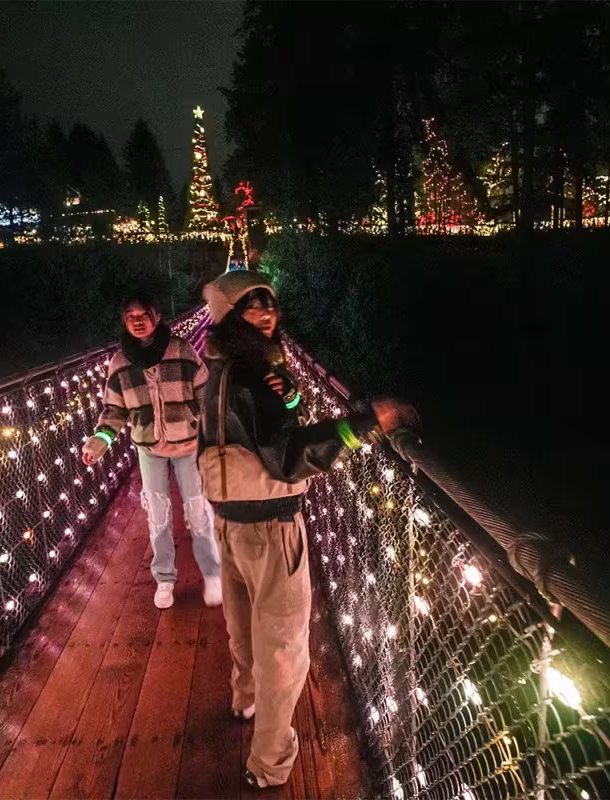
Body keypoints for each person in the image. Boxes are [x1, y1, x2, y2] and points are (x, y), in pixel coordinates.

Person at [197, 271, 418, 789]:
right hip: (272, 529)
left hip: (229, 523)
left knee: (242, 627)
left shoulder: (218, 369)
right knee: (282, 649)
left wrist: (291, 400)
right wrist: (365, 426)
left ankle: (245, 700)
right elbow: (289, 457)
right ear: (231, 317)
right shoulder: (251, 377)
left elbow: (257, 429)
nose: (266, 314)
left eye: (269, 304)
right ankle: (270, 764)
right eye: (252, 307)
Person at [82, 290, 222, 610]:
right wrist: (98, 443)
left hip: (187, 444)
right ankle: (164, 579)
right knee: (157, 515)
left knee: (198, 510)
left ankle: (212, 573)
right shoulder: (120, 362)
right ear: (124, 322)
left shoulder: (181, 349)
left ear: (156, 317)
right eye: (130, 317)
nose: (137, 321)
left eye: (142, 315)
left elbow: (206, 394)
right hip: (149, 447)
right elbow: (114, 410)